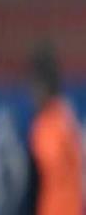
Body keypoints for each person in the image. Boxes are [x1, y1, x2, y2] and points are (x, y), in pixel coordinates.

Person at [28, 46, 83, 215]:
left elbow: (49, 163)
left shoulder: (50, 126)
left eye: (35, 87)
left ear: (44, 87)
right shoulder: (65, 115)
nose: (32, 94)